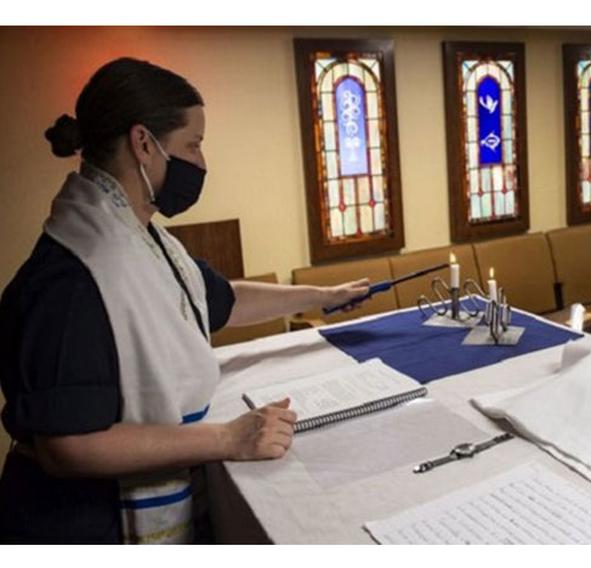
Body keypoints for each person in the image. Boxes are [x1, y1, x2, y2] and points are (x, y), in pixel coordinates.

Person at [0, 57, 370, 543]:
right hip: (81, 526)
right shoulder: (75, 275)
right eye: (192, 144)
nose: (201, 162)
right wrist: (228, 438)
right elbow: (67, 446)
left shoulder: (143, 241)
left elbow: (223, 301)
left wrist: (323, 295)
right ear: (143, 144)